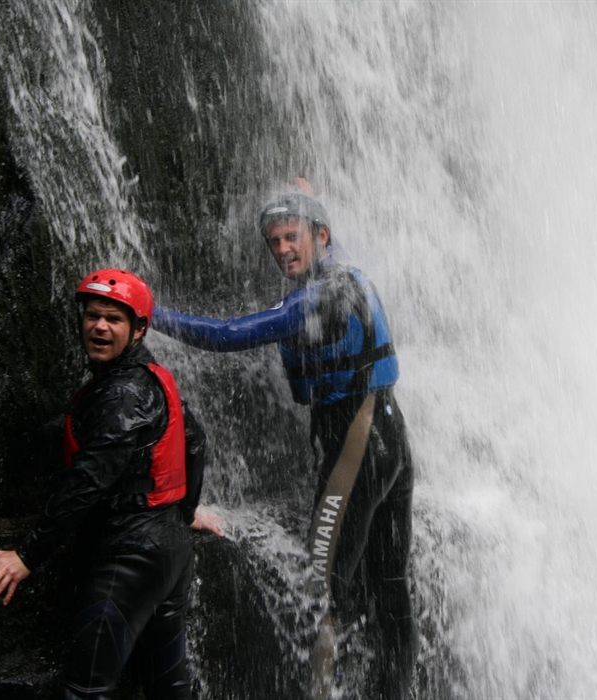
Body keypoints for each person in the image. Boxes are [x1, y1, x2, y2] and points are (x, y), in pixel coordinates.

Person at [153, 190, 415, 699]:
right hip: (389, 436)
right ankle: (393, 691)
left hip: (356, 445)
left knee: (322, 583)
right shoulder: (343, 271)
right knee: (389, 587)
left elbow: (228, 335)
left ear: (321, 235)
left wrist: (152, 312)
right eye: (274, 241)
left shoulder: (319, 298)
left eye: (291, 237)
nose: (281, 250)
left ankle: (321, 691)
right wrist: (308, 197)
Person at [0, 268, 223, 700]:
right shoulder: (148, 376)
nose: (100, 327)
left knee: (84, 690)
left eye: (114, 319)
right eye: (92, 316)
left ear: (139, 328)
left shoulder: (124, 393)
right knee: (168, 683)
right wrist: (179, 513)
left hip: (130, 556)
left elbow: (87, 480)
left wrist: (28, 555)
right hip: (166, 549)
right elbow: (194, 443)